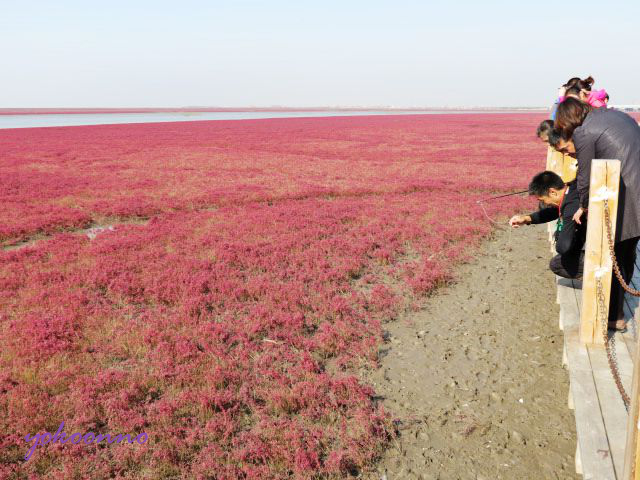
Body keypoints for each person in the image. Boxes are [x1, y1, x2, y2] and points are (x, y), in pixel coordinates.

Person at [555, 97, 640, 328]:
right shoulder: (615, 114)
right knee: (626, 253)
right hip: (636, 191)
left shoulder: (584, 131)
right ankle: (617, 313)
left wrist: (584, 207)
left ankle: (613, 317)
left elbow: (584, 178)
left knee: (614, 257)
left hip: (627, 198)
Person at [510, 171, 586, 281]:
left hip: (598, 251)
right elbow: (554, 211)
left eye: (542, 200)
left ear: (553, 192)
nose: (544, 204)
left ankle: (597, 277)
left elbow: (563, 247)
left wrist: (559, 236)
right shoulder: (571, 189)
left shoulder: (571, 207)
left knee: (557, 264)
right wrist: (526, 219)